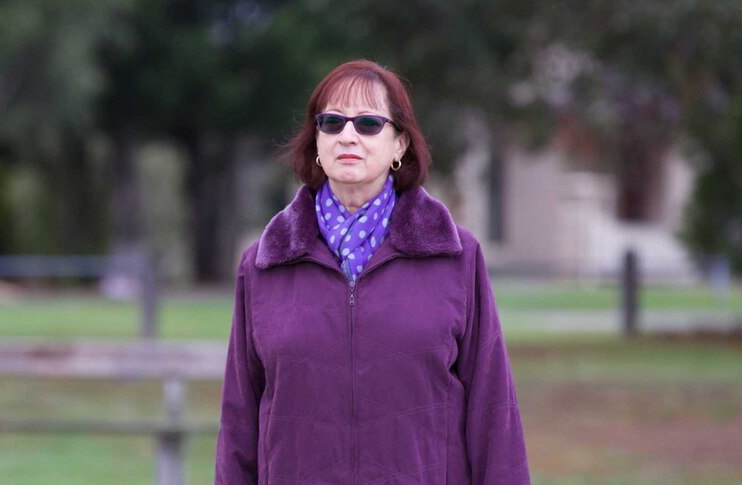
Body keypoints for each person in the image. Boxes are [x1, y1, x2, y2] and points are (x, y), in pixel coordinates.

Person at [215, 59, 530, 484]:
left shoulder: (456, 256)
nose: (348, 135)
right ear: (316, 141)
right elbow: (239, 422)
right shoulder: (264, 264)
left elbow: (494, 413)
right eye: (331, 122)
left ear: (399, 144)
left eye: (368, 123)